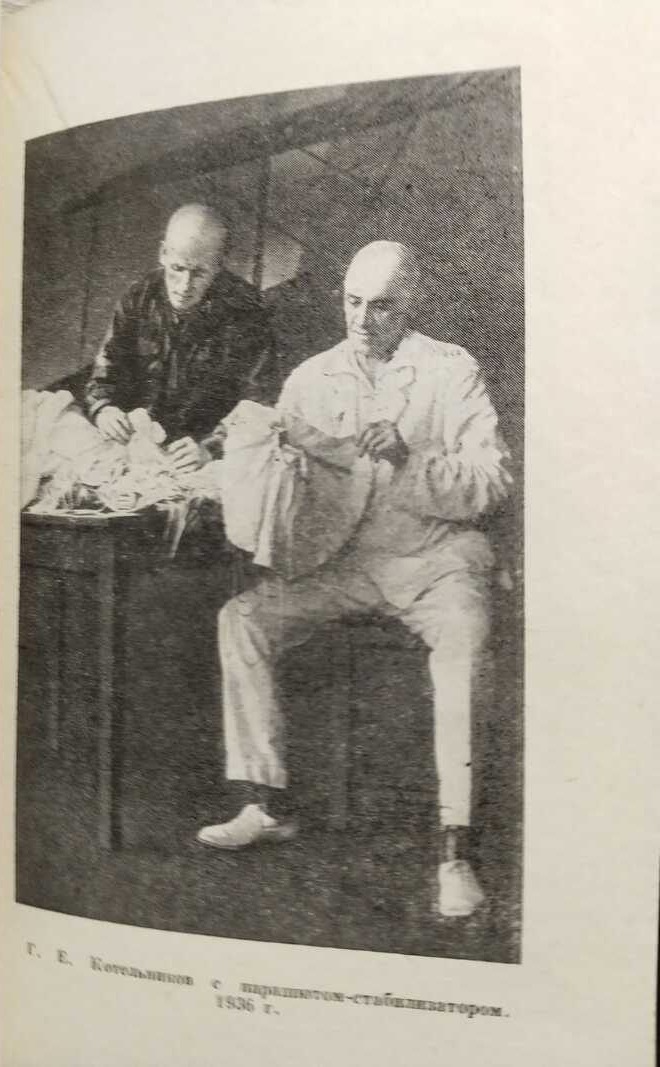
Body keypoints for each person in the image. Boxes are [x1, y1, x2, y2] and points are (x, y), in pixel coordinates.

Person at [197, 241, 512, 919]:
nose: (363, 320)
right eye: (353, 301)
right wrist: (252, 459)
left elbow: (492, 482)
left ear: (412, 303)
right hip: (344, 565)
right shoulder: (311, 377)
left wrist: (411, 458)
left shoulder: (450, 368)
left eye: (383, 306)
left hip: (435, 559)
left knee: (464, 643)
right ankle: (264, 801)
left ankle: (455, 849)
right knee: (242, 619)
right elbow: (287, 492)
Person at [84, 203, 278, 471]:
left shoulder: (247, 311)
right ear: (163, 253)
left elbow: (260, 404)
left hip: (204, 452)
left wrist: (213, 446)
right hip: (139, 443)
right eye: (177, 268)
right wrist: (104, 408)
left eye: (199, 273)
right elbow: (105, 371)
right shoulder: (138, 297)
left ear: (219, 264)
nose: (185, 286)